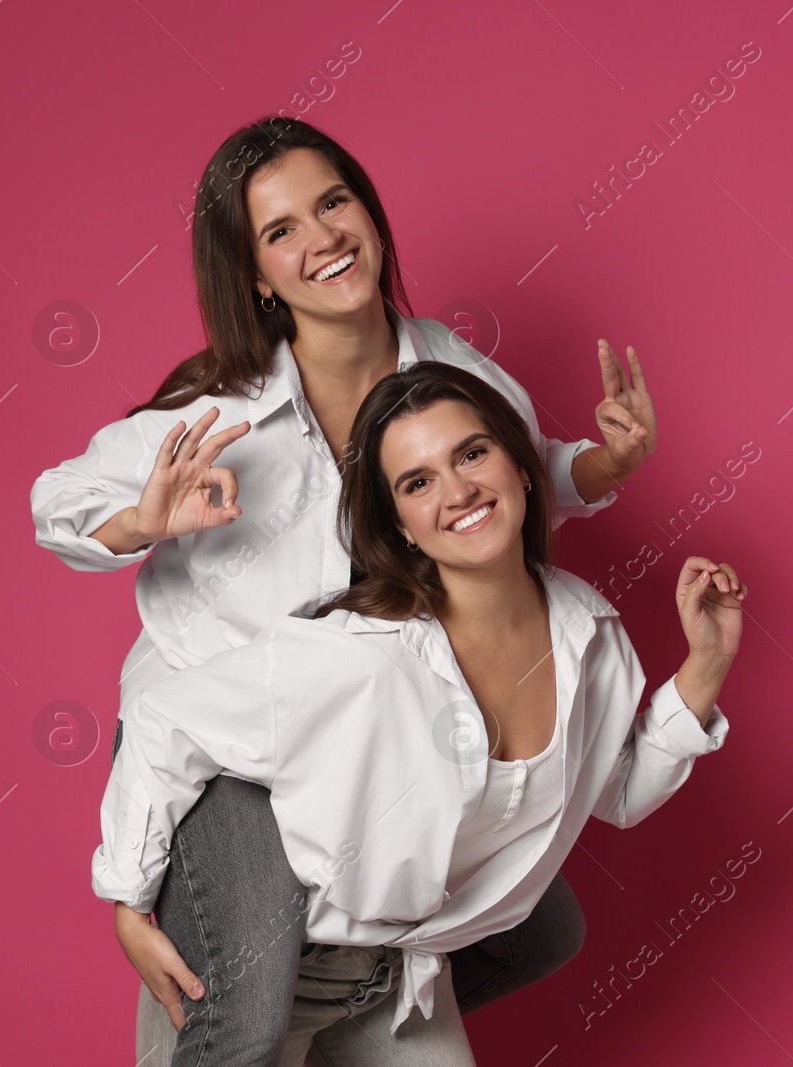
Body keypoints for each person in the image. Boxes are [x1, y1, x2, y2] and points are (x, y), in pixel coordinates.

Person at [30, 116, 658, 1066]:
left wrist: (605, 466)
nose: (321, 238)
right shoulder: (221, 411)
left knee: (538, 923)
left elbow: (510, 475)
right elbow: (55, 505)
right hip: (218, 744)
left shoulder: (447, 365)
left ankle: (320, 1021)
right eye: (281, 230)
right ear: (254, 274)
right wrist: (140, 524)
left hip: (352, 723)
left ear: (368, 210)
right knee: (239, 1018)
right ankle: (246, 1010)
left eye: (333, 202)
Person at [96, 360, 744, 1064]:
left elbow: (615, 791)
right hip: (265, 974)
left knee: (551, 932)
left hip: (391, 984)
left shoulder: (591, 637)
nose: (459, 489)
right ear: (401, 525)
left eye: (471, 453)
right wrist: (128, 900)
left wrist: (703, 669)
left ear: (522, 467)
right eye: (418, 481)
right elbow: (167, 717)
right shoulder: (366, 657)